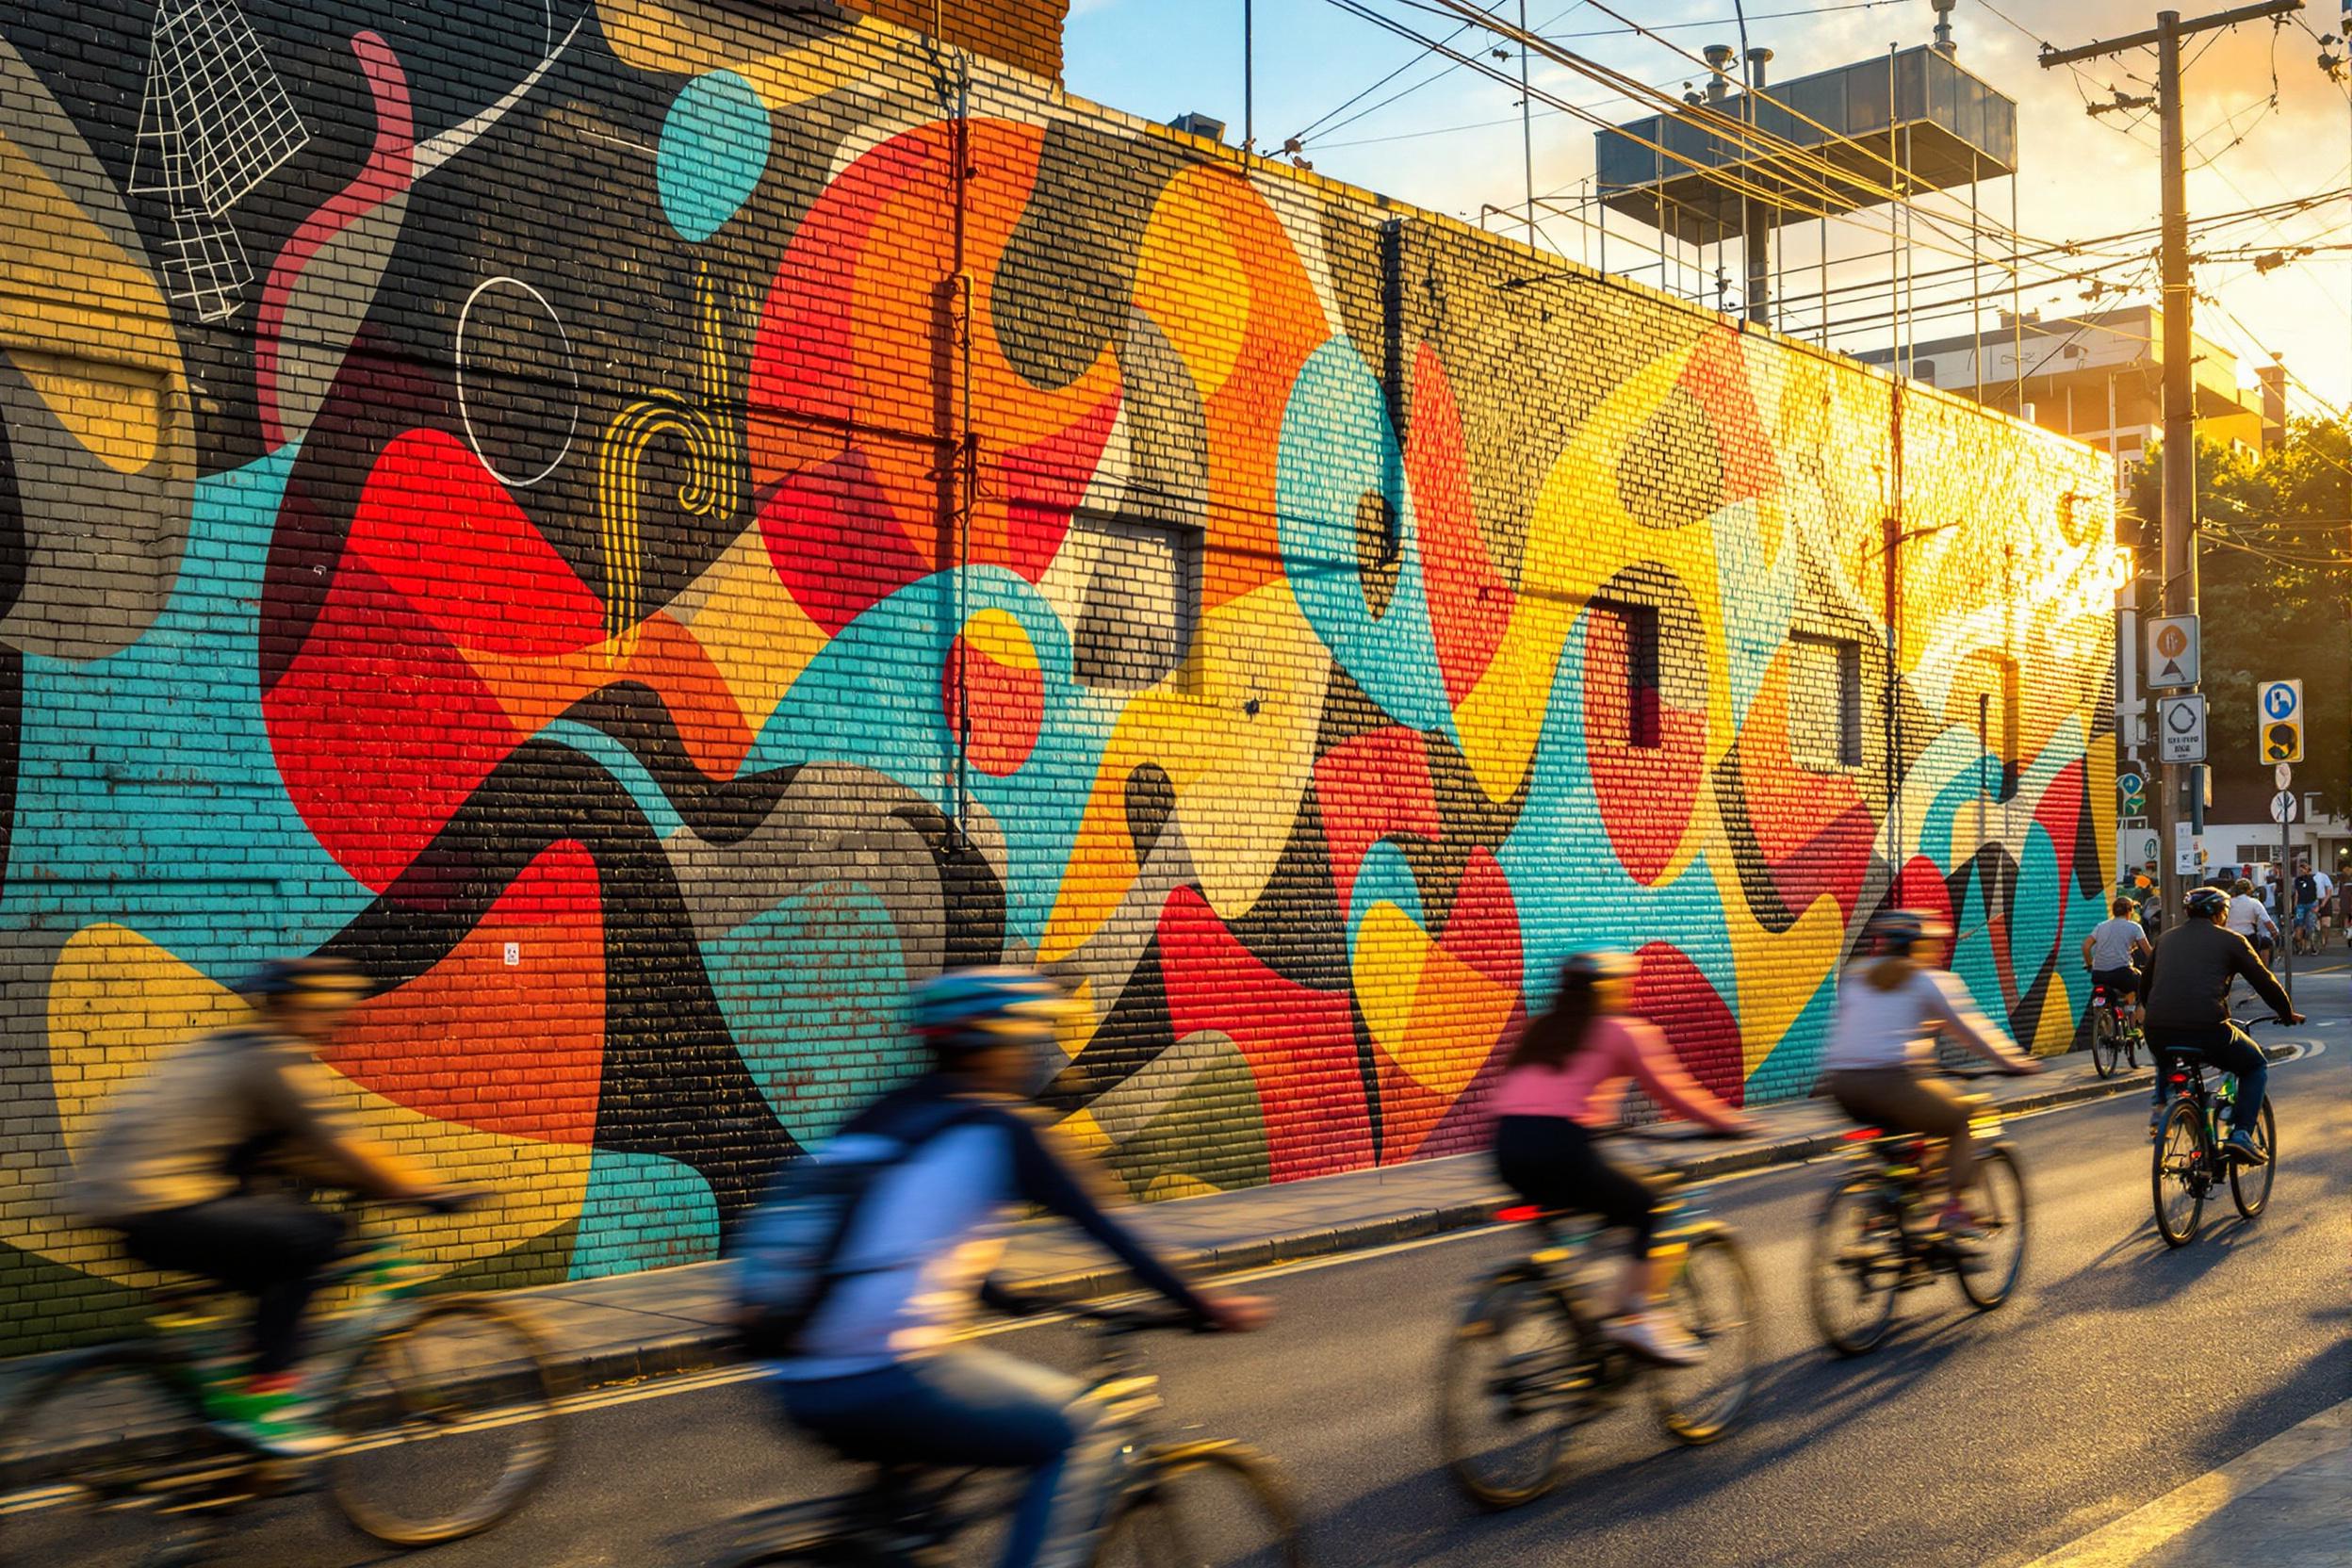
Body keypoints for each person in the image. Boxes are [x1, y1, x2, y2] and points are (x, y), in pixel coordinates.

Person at [768, 967, 1266, 1568]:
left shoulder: (884, 1116)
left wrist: (991, 1289)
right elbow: (1110, 1231)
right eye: (1032, 1040)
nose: (1037, 1056)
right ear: (999, 1043)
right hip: (888, 1371)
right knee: (1081, 1433)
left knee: (918, 1509)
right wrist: (1203, 1303)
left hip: (797, 1373)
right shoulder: (1002, 1129)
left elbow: (891, 1231)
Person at [72, 956, 459, 1455]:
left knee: (273, 1245)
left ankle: (239, 1384)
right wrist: (423, 1188)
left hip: (124, 1203)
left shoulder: (227, 1048)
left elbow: (294, 1154)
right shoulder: (275, 1059)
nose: (336, 1025)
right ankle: (268, 1403)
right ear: (302, 1007)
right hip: (160, 1202)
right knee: (317, 1240)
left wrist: (356, 1180)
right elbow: (341, 1143)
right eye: (332, 1013)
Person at [1490, 951, 1758, 1367]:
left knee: (1591, 1214)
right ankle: (1635, 1316)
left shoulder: (1541, 1029)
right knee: (1651, 1209)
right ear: (1613, 988)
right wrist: (1730, 1123)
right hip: (1565, 1149)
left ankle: (1578, 1323)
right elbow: (1674, 1093)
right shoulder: (1620, 1031)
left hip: (1508, 1150)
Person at [1821, 911, 2043, 1242]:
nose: (1936, 950)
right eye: (1931, 944)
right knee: (1967, 1117)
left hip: (1842, 1087)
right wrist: (2014, 1061)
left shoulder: (1856, 976)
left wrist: (1916, 1037)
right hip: (1892, 1084)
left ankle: (1887, 1205)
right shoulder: (1926, 982)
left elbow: (1866, 1028)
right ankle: (1954, 1210)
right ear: (1917, 946)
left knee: (1904, 1138)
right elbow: (1972, 1032)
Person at [2139, 886, 2302, 1160]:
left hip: (2157, 1030)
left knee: (2172, 1069)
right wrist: (2286, 1013)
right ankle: (2241, 1134)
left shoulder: (2165, 940)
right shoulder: (2232, 940)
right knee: (2255, 1065)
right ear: (2220, 913)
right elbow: (2264, 981)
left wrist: (2153, 1011)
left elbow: (2146, 986)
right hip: (2208, 1028)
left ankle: (2178, 1113)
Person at [2081, 895, 2153, 1012]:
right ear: (2129, 911)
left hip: (2098, 975)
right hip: (2122, 975)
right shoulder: (2134, 927)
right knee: (2140, 983)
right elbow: (2149, 953)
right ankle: (2134, 1014)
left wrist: (2090, 965)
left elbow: (2085, 947)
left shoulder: (2101, 926)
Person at [2225, 876, 2277, 964]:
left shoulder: (2228, 902)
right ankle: (2264, 970)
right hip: (2248, 938)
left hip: (2230, 937)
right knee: (2266, 942)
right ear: (2249, 890)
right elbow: (2267, 921)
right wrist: (2274, 932)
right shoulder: (2254, 902)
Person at [2293, 860, 2321, 947]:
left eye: (2302, 870)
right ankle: (2299, 944)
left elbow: (2319, 892)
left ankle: (2313, 944)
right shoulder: (2297, 880)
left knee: (2311, 924)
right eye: (2299, 871)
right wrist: (2295, 905)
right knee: (2298, 923)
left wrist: (2318, 905)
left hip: (2312, 903)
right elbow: (2297, 893)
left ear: (2307, 870)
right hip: (2301, 904)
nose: (2300, 872)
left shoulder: (2314, 878)